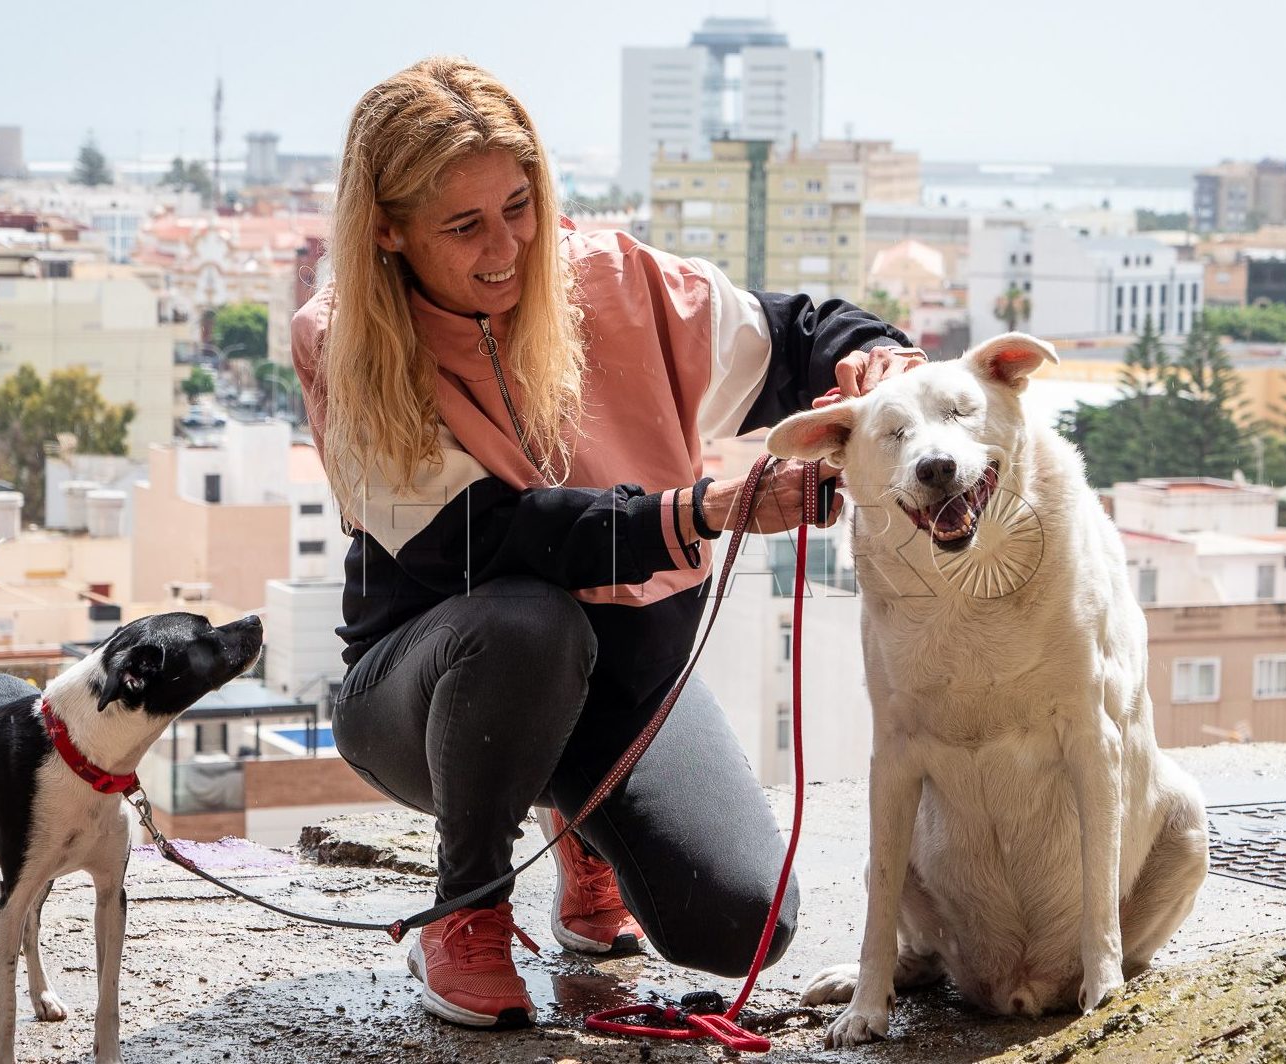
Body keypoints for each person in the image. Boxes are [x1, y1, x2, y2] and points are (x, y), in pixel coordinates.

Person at [292, 56, 924, 1030]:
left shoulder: (614, 282)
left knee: (744, 925)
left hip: (621, 683)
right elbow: (497, 540)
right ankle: (464, 909)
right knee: (523, 621)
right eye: (464, 227)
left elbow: (794, 334)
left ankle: (584, 837)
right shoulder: (346, 342)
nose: (506, 248)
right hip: (426, 696)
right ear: (388, 228)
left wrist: (873, 357)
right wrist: (706, 510)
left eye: (519, 206)